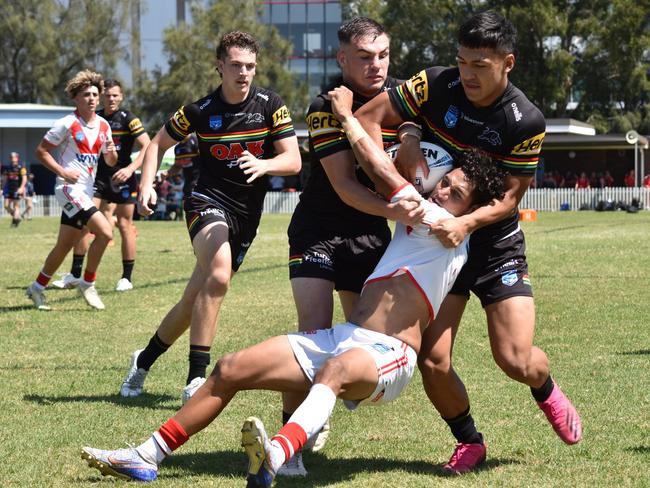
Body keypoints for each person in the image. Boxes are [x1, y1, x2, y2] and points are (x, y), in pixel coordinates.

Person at [79, 93, 507, 483]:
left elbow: (381, 170)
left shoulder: (448, 228)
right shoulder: (426, 211)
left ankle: (277, 455)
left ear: (470, 210)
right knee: (229, 369)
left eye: (456, 192)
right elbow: (391, 173)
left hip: (389, 357)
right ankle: (147, 455)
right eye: (447, 182)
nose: (444, 189)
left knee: (334, 372)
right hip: (344, 338)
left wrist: (345, 115)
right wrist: (409, 132)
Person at [354, 10, 582, 473]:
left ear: (508, 63)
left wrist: (465, 225)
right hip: (438, 245)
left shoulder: (526, 121)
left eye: (481, 64)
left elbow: (509, 200)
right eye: (462, 61)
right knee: (432, 360)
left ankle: (546, 389)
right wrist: (407, 137)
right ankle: (470, 441)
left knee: (514, 358)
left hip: (493, 243)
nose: (468, 74)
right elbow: (367, 117)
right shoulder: (436, 83)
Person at [118, 31, 301, 403]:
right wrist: (146, 186)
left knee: (194, 299)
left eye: (250, 65)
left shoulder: (271, 105)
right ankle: (196, 379)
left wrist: (264, 164)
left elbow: (293, 160)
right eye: (236, 65)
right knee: (219, 273)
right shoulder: (200, 110)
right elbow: (156, 144)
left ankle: (144, 359)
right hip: (207, 201)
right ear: (220, 66)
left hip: (246, 216)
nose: (244, 72)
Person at [282, 17, 424, 473]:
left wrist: (410, 133)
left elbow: (411, 159)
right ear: (343, 58)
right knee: (311, 337)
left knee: (368, 340)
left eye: (382, 55)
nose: (375, 65)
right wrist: (399, 210)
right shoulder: (325, 106)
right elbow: (344, 185)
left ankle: (328, 394)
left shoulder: (403, 97)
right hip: (318, 230)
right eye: (364, 57)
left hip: (370, 235)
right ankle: (291, 449)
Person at [26, 70, 117, 311]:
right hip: (68, 188)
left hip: (86, 191)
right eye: (86, 94)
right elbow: (41, 151)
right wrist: (63, 172)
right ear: (75, 98)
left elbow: (110, 161)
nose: (92, 99)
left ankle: (36, 288)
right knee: (106, 233)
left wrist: (111, 150)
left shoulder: (105, 125)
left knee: (64, 245)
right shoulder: (66, 123)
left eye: (95, 94)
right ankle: (88, 282)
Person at [51, 79, 151, 292]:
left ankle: (126, 278)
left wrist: (131, 169)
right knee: (84, 224)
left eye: (115, 95)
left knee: (125, 226)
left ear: (121, 97)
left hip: (124, 178)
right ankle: (75, 274)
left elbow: (147, 146)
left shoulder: (129, 119)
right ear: (101, 96)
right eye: (107, 95)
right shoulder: (95, 118)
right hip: (96, 179)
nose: (111, 99)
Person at [2, 152, 27, 227]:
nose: (12, 158)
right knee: (6, 206)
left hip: (17, 189)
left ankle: (15, 222)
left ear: (17, 158)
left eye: (14, 157)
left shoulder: (21, 167)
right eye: (11, 157)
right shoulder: (7, 168)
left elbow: (24, 179)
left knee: (16, 206)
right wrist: (2, 188)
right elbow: (5, 179)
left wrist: (22, 188)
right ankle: (17, 217)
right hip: (8, 189)